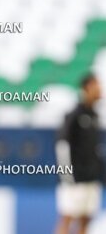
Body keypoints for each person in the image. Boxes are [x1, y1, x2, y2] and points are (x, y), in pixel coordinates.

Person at [56, 73, 104, 234]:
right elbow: (62, 146)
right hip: (75, 178)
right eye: (97, 86)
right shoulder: (74, 116)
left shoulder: (95, 116)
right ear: (87, 88)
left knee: (86, 219)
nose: (100, 90)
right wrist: (67, 176)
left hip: (91, 178)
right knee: (68, 218)